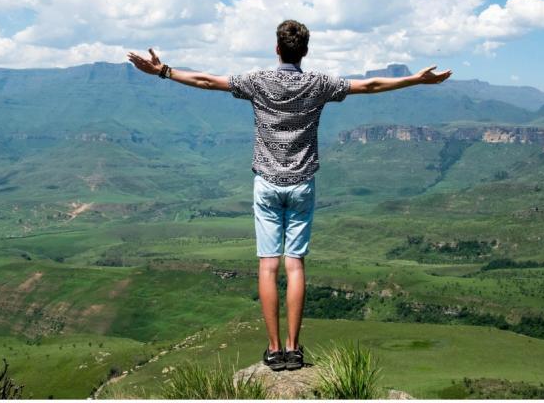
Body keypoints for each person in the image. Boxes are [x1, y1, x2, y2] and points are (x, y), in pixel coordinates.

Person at [126, 19, 452, 372]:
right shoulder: (319, 84)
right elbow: (370, 85)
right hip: (302, 184)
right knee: (294, 264)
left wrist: (164, 71)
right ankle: (295, 351)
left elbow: (207, 81)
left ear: (277, 48)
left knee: (268, 265)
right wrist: (417, 79)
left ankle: (273, 349)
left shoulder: (258, 81)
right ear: (305, 51)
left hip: (266, 183)